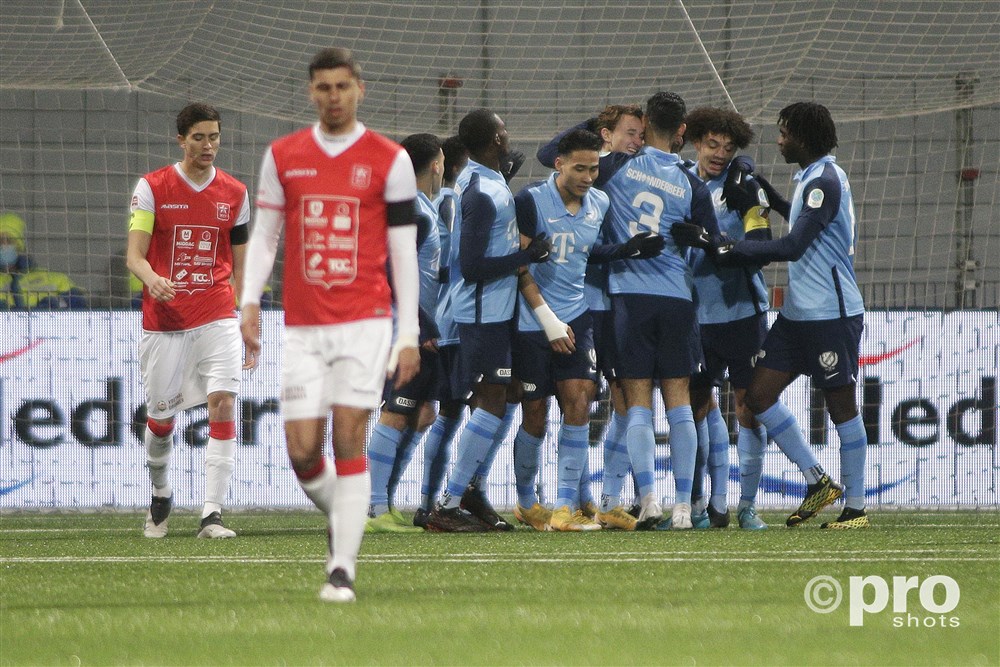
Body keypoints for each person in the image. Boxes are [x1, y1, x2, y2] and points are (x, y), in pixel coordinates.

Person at [240, 48, 421, 603]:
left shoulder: (390, 160)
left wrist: (407, 331)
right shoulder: (284, 155)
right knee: (301, 452)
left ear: (359, 89)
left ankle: (341, 567)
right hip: (302, 327)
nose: (333, 96)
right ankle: (343, 516)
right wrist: (249, 300)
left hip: (365, 322)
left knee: (349, 439)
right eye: (323, 87)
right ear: (311, 92)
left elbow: (403, 252)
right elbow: (266, 236)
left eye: (342, 86)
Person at [672, 101, 868, 529]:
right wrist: (767, 194)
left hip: (830, 313)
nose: (778, 141)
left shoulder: (825, 182)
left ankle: (855, 509)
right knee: (758, 398)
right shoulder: (810, 179)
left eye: (783, 133)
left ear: (802, 136)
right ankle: (817, 481)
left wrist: (723, 246)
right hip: (797, 314)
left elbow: (792, 246)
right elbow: (794, 218)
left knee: (842, 406)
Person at [512, 129, 664, 531]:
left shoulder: (599, 202)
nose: (587, 176)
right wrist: (548, 322)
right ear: (559, 164)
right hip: (534, 321)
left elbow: (587, 251)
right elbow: (519, 265)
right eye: (579, 168)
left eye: (593, 168)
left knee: (579, 401)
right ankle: (528, 502)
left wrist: (626, 248)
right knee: (535, 417)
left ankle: (564, 506)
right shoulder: (529, 201)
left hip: (578, 316)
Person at [126, 102, 252, 540]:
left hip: (218, 313)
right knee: (161, 422)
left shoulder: (235, 194)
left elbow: (242, 268)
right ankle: (161, 493)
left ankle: (212, 515)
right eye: (198, 137)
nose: (208, 145)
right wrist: (153, 278)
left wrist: (249, 320)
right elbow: (134, 256)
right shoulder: (152, 187)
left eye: (214, 136)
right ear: (181, 139)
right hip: (164, 321)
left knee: (224, 403)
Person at [425, 108, 552, 532]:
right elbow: (474, 265)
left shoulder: (489, 182)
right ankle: (448, 501)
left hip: (498, 309)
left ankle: (471, 490)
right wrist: (527, 256)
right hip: (481, 311)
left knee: (506, 393)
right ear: (495, 140)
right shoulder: (480, 190)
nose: (507, 133)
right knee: (493, 399)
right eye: (503, 129)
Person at [601, 91, 722, 530]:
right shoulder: (693, 183)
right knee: (680, 405)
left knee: (637, 404)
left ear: (647, 121)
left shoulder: (615, 166)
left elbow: (552, 156)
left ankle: (648, 500)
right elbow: (714, 246)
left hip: (629, 296)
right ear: (684, 131)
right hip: (677, 298)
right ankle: (685, 508)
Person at [681, 106, 772, 531]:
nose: (719, 153)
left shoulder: (745, 186)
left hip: (741, 311)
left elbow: (762, 241)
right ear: (696, 142)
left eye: (728, 148)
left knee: (750, 405)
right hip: (693, 315)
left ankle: (748, 506)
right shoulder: (677, 180)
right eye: (712, 144)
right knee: (697, 407)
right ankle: (706, 506)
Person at [365, 132, 444, 534]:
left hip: (419, 324)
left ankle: (385, 499)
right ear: (436, 163)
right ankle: (375, 507)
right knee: (396, 412)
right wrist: (420, 325)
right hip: (406, 328)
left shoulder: (423, 206)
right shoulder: (413, 209)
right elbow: (393, 271)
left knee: (422, 413)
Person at [412, 135, 469, 529]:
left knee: (440, 413)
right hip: (448, 323)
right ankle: (433, 501)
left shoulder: (436, 202)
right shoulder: (449, 201)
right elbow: (450, 263)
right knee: (439, 412)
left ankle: (430, 501)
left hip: (440, 321)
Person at [0, 212, 87, 310]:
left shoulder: (56, 280)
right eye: (0, 241)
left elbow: (81, 313)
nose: (4, 246)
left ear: (19, 246)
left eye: (9, 241)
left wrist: (53, 310)